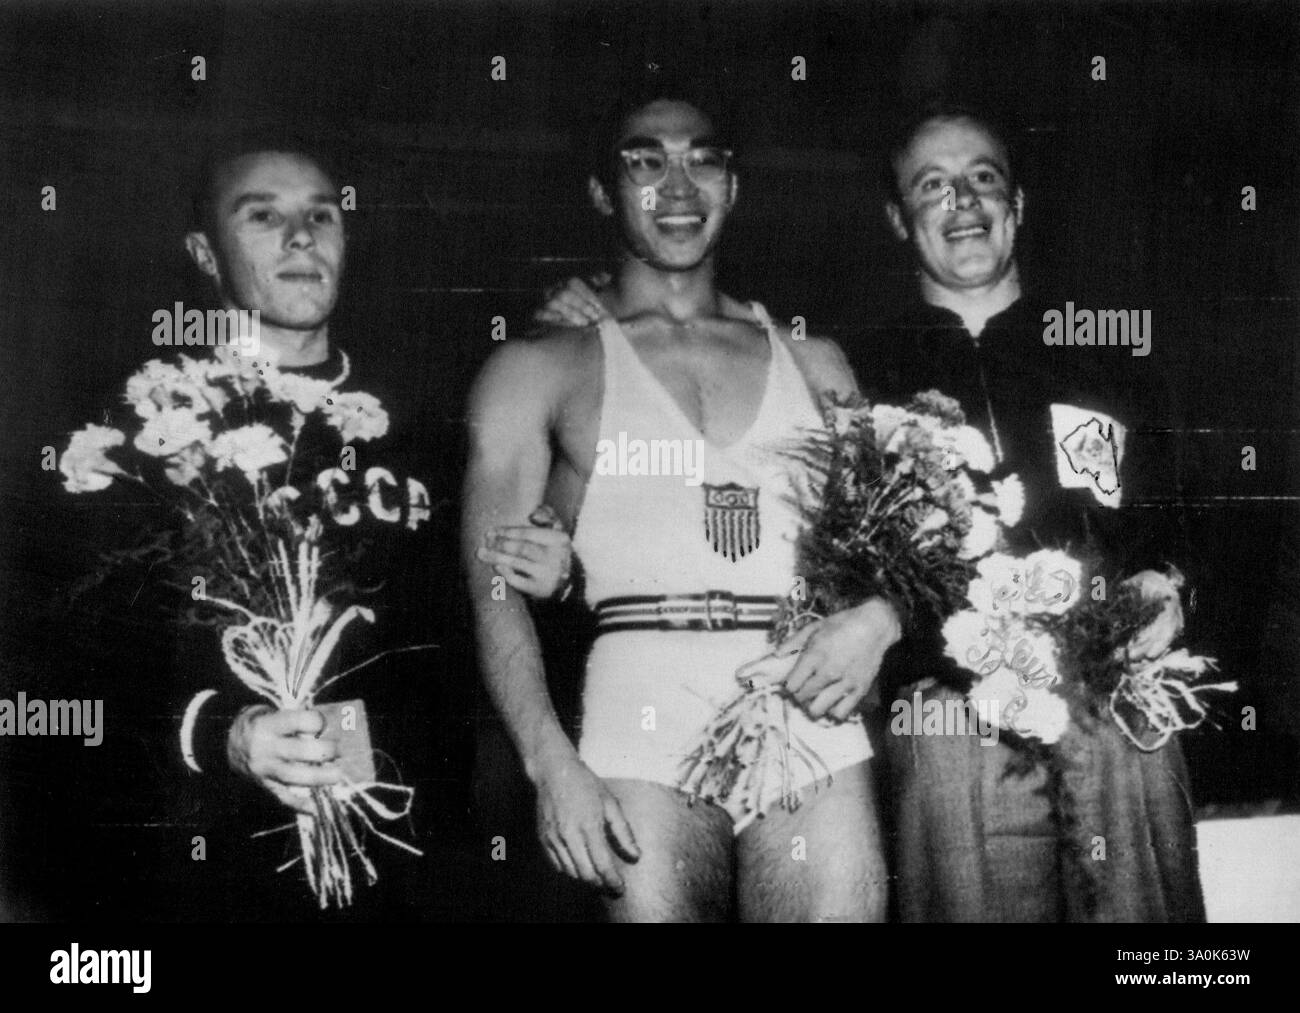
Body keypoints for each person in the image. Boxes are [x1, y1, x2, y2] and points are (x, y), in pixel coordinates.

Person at [462, 93, 896, 922]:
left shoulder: (817, 360)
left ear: (732, 185)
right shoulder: (538, 366)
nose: (676, 183)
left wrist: (877, 616)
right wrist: (550, 764)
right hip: (638, 703)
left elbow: (897, 543)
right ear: (601, 191)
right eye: (643, 160)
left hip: (805, 702)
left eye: (703, 157)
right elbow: (493, 586)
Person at [148, 141, 568, 918]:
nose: (301, 236)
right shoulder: (150, 433)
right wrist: (223, 734)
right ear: (205, 254)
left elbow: (487, 610)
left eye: (321, 215)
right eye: (264, 216)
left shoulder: (423, 424)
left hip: (416, 842)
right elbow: (88, 658)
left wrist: (551, 576)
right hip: (224, 851)